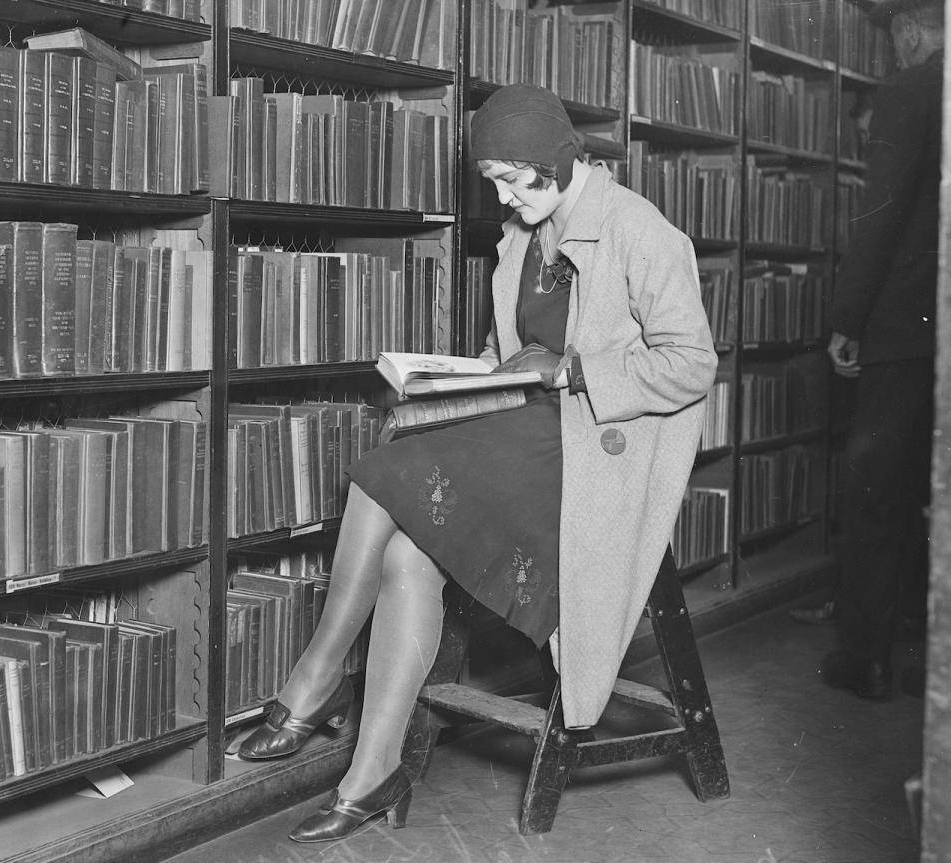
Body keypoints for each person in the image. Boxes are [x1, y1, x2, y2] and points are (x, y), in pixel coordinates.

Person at [235, 83, 718, 843]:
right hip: (526, 429)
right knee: (403, 547)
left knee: (379, 473)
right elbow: (515, 350)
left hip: (592, 450)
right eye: (492, 177)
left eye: (509, 178)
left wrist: (577, 371)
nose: (499, 195)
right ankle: (373, 769)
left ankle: (314, 682)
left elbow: (692, 363)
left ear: (554, 165)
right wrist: (464, 377)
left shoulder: (641, 233)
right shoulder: (528, 233)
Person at [820, 0, 943, 700]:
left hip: (906, 324)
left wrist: (848, 317)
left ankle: (865, 653)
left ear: (907, 31)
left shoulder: (912, 89)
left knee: (876, 486)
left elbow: (883, 211)